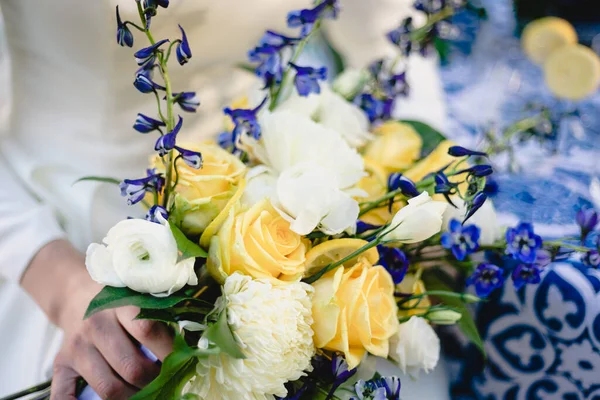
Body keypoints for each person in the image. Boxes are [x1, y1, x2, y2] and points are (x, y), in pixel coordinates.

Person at [0, 1, 448, 398]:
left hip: (274, 200)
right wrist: (63, 289)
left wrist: (406, 201)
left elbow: (394, 51)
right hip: (53, 233)